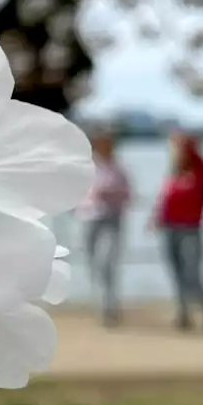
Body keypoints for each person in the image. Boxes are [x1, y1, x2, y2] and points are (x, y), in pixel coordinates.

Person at [152, 130, 203, 334]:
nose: (176, 152)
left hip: (191, 228)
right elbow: (166, 197)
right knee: (176, 272)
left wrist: (184, 142)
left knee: (193, 274)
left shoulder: (200, 168)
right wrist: (156, 218)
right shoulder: (174, 171)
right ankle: (183, 314)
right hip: (169, 227)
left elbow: (195, 156)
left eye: (179, 148)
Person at [78, 132, 131, 326]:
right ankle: (101, 303)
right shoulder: (88, 168)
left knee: (107, 263)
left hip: (111, 218)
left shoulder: (118, 169)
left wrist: (111, 194)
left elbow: (128, 194)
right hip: (90, 217)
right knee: (94, 263)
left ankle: (109, 306)